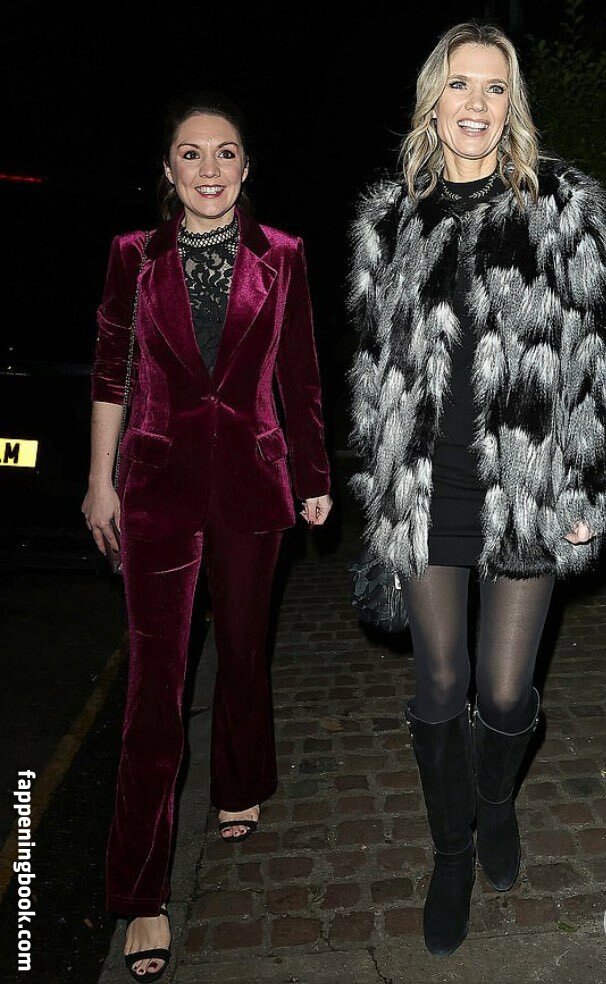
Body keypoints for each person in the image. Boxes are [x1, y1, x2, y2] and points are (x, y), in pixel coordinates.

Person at [347, 20, 606, 958]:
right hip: (427, 485)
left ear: (512, 105)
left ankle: (495, 799)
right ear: (434, 99)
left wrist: (583, 486)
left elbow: (592, 358)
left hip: (529, 481)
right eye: (460, 84)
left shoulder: (563, 207)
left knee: (501, 695)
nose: (476, 104)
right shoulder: (389, 221)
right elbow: (375, 371)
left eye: (495, 88)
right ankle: (450, 852)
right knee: (440, 680)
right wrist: (381, 492)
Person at [81, 89, 332, 980]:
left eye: (225, 152)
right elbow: (111, 371)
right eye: (192, 153)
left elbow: (299, 371)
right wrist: (99, 480)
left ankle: (239, 781)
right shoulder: (132, 256)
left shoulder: (284, 255)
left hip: (255, 482)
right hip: (156, 487)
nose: (210, 168)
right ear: (168, 169)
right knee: (155, 684)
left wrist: (314, 476)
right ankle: (142, 891)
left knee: (247, 650)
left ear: (246, 166)